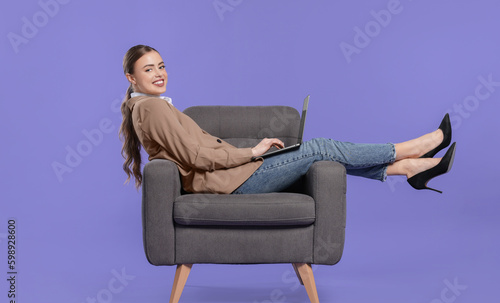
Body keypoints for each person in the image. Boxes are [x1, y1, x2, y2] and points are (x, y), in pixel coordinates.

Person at [119, 45, 456, 195]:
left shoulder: (150, 106)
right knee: (322, 147)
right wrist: (253, 152)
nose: (159, 73)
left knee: (319, 156)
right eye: (149, 69)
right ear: (132, 78)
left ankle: (410, 169)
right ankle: (413, 149)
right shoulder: (152, 109)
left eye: (161, 65)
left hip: (235, 177)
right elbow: (195, 156)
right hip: (234, 183)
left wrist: (256, 153)